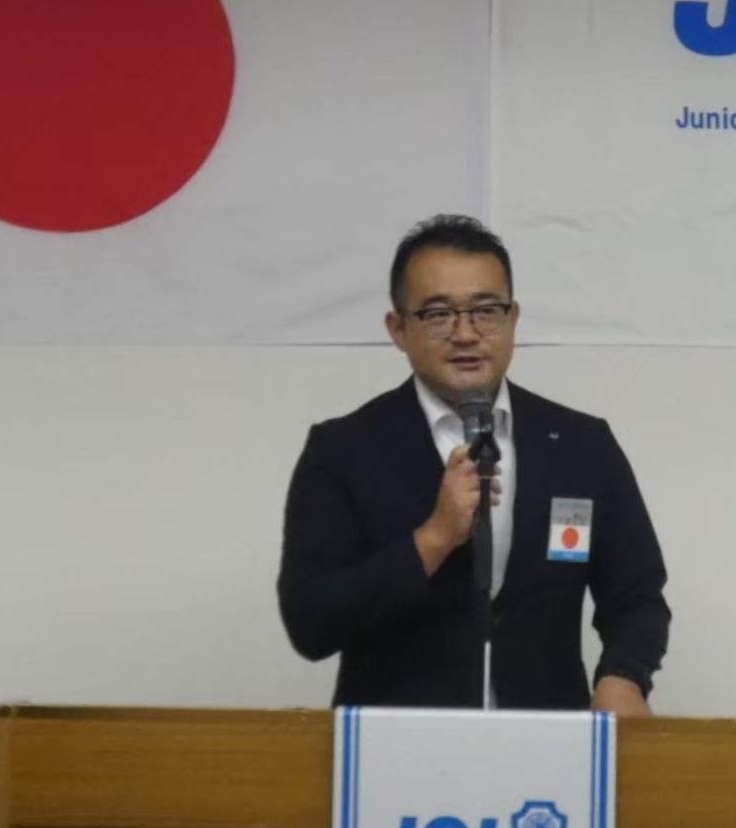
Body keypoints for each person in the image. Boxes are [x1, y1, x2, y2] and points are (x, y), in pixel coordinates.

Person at [279, 215, 669, 712]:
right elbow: (310, 622)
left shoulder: (581, 445)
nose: (465, 334)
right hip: (396, 740)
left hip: (547, 735)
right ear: (398, 329)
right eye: (439, 314)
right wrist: (433, 539)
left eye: (486, 311)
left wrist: (624, 676)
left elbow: (637, 596)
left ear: (513, 319)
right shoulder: (344, 450)